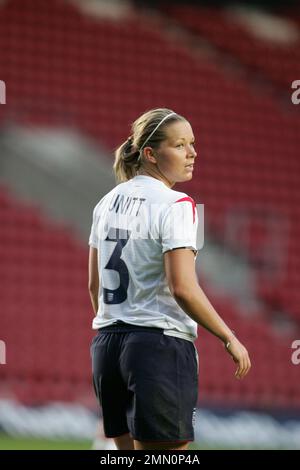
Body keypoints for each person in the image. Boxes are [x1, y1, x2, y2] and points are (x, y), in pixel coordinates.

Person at [88, 108, 251, 451]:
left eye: (192, 144)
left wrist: (120, 325)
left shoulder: (105, 202)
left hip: (106, 346)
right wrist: (228, 337)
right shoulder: (178, 204)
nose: (193, 153)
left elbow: (94, 286)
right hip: (157, 348)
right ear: (150, 153)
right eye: (180, 145)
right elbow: (182, 288)